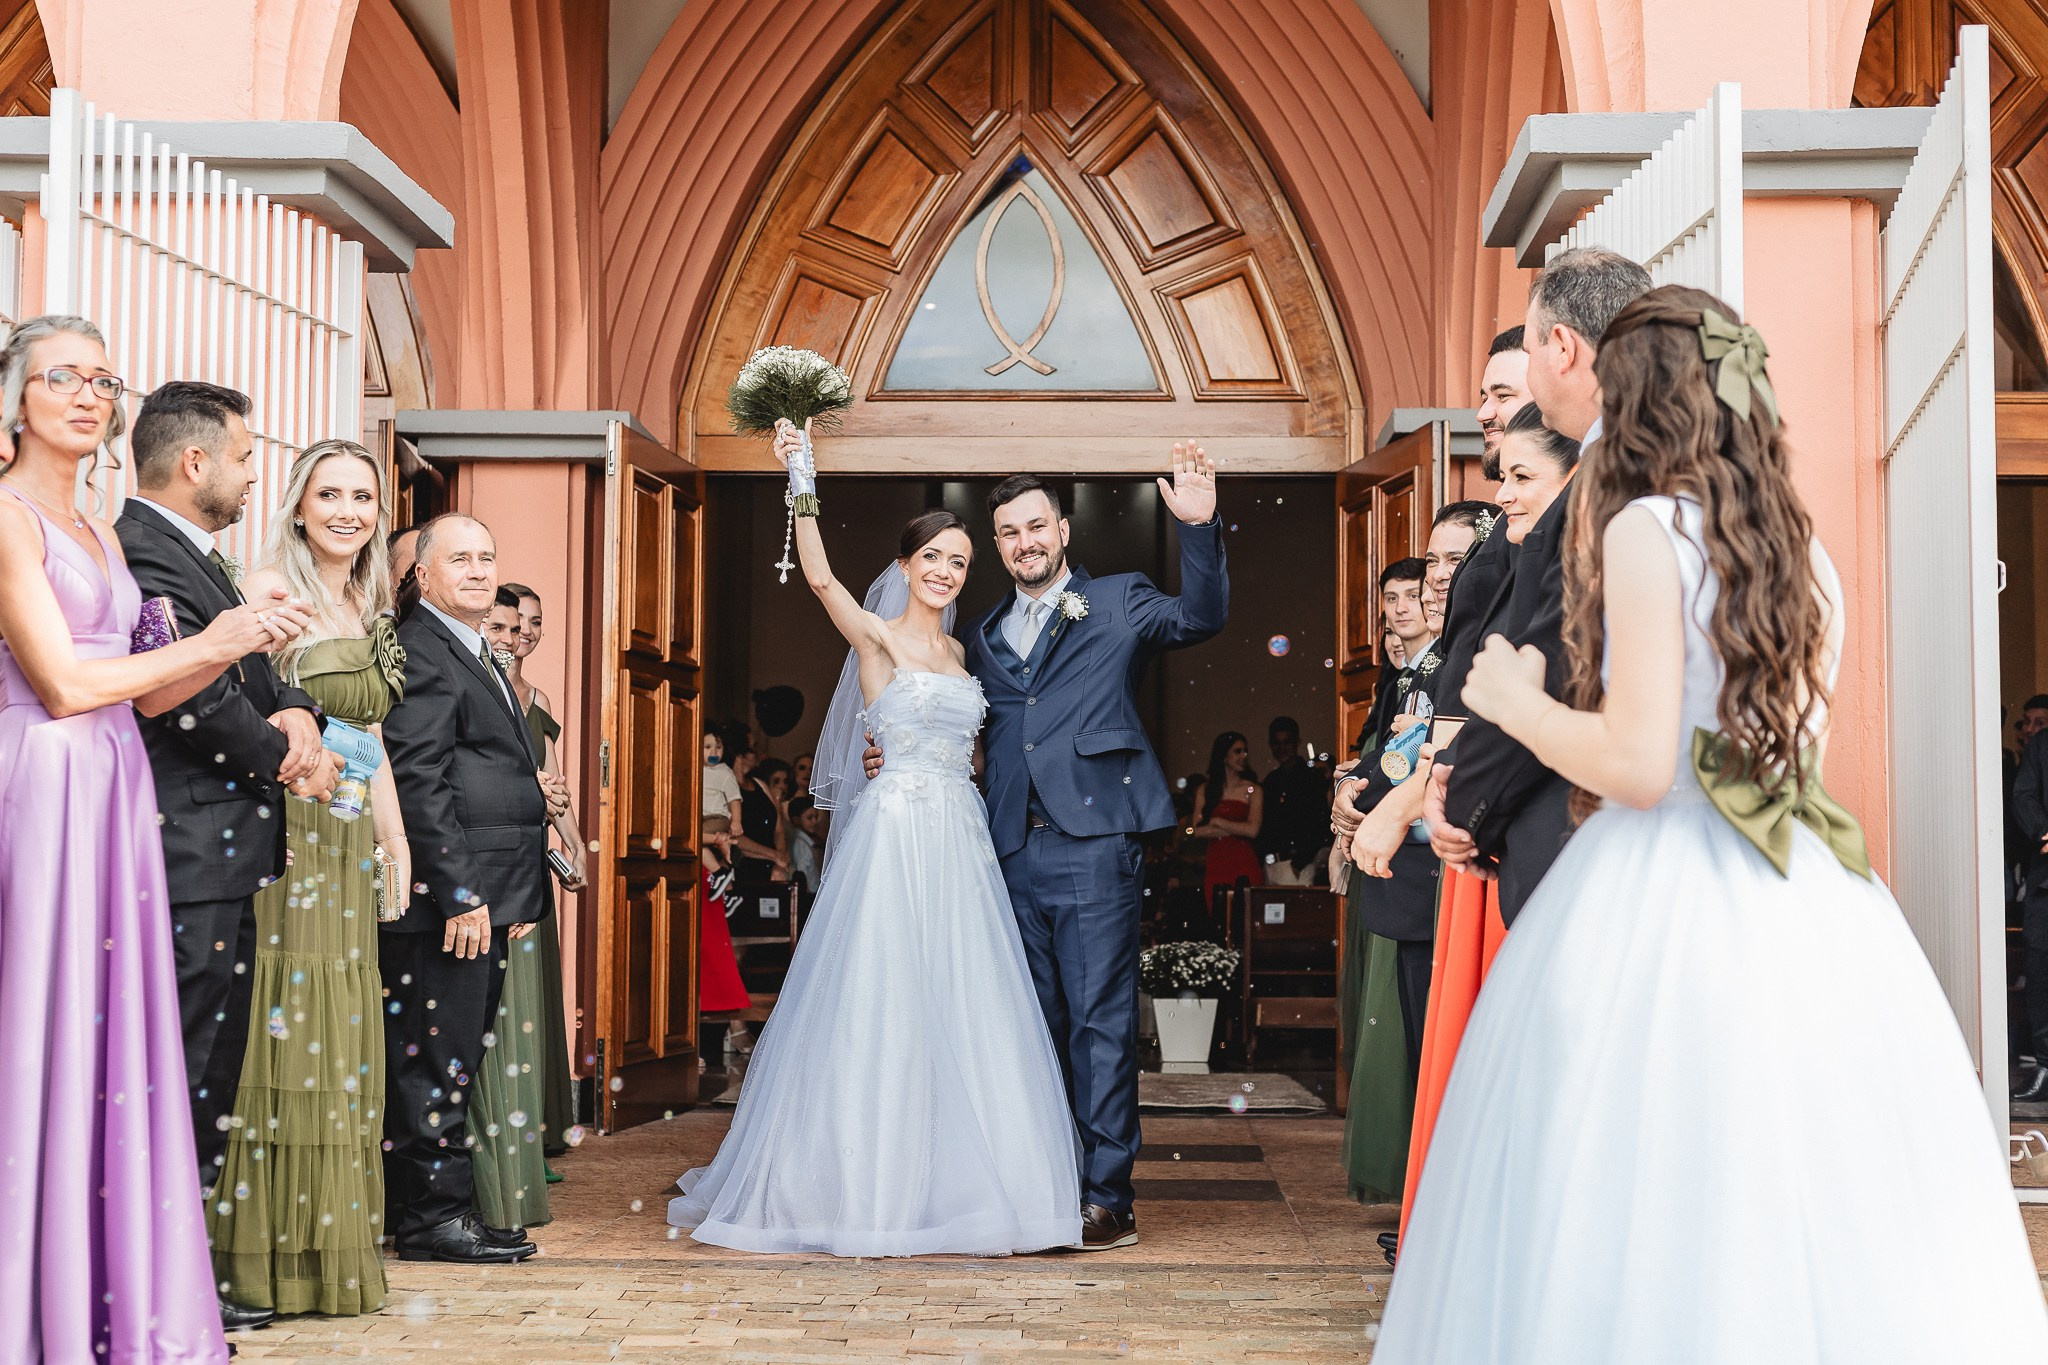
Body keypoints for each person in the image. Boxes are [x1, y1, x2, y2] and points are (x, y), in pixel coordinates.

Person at [1373, 285, 2048, 1362]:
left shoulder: (1650, 530)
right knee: (1797, 1162)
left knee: (1631, 1160)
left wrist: (1518, 706)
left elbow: (1644, 766)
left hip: (1665, 874)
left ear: (1635, 398)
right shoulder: (1797, 546)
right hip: (1805, 881)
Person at [669, 422, 1080, 1256]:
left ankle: (963, 1180)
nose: (945, 571)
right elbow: (819, 576)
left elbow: (981, 751)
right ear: (904, 564)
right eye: (932, 557)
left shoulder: (965, 651)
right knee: (883, 994)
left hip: (960, 836)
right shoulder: (877, 636)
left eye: (959, 561)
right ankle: (865, 1181)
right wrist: (801, 476)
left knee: (965, 997)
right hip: (896, 834)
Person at [0, 313, 305, 1362]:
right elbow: (63, 682)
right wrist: (219, 636)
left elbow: (156, 688)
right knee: (39, 1031)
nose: (87, 395)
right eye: (61, 377)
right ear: (15, 400)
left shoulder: (96, 530)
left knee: (115, 1043)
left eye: (101, 379)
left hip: (117, 783)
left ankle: (106, 1291)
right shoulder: (7, 517)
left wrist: (255, 655)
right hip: (44, 777)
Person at [931, 451, 1229, 1249]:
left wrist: (1199, 527)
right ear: (997, 546)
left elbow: (1201, 616)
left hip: (1094, 845)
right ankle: (1047, 1177)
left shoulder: (1119, 599)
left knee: (1099, 1022)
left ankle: (1108, 1194)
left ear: (1063, 530)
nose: (1024, 541)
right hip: (1007, 851)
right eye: (1009, 532)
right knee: (1029, 1022)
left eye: (1036, 526)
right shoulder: (980, 635)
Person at [115, 380, 339, 1333]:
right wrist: (289, 758)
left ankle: (182, 1277)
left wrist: (298, 709)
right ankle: (158, 1283)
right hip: (185, 853)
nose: (255, 474)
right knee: (183, 1067)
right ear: (195, 460)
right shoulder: (142, 550)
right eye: (246, 456)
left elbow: (247, 668)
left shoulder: (202, 558)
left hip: (221, 855)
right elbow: (189, 699)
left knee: (209, 1071)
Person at [207, 438, 406, 1317]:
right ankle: (251, 1260)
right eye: (329, 494)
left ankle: (322, 1254)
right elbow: (231, 703)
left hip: (348, 831)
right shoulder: (264, 589)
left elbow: (374, 737)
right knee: (280, 1023)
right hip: (286, 826)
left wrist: (394, 838)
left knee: (337, 1028)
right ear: (296, 505)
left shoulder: (368, 601)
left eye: (362, 496)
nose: (347, 511)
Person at [380, 514, 548, 1265]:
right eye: (461, 559)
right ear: (423, 574)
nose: (479, 570)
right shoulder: (423, 648)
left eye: (487, 556)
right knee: (435, 1059)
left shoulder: (472, 645)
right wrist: (461, 894)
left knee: (457, 1056)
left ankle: (438, 1208)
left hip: (489, 893)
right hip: (451, 903)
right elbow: (418, 779)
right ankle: (431, 1218)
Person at [497, 582, 585, 1171]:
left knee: (533, 998)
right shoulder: (481, 684)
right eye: (514, 623)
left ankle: (538, 1130)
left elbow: (554, 785)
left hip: (532, 858)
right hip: (495, 853)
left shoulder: (538, 699)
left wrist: (575, 846)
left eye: (534, 623)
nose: (523, 634)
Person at [1188, 730, 1262, 906]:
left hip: (1244, 861)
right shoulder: (1205, 790)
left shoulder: (1253, 790)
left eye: (1245, 751)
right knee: (1218, 912)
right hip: (1217, 862)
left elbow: (1253, 830)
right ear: (1223, 755)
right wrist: (1238, 828)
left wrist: (1217, 822)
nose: (1243, 756)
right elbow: (1196, 830)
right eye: (1237, 751)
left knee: (1246, 913)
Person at [1257, 716, 1331, 887]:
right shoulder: (1271, 781)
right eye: (1277, 743)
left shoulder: (1312, 778)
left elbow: (1320, 823)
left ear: (1297, 743)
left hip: (1299, 864)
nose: (1282, 748)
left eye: (1287, 742)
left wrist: (1300, 861)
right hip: (1272, 864)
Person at [787, 792, 823, 892]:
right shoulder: (800, 844)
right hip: (808, 893)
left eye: (816, 817)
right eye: (810, 818)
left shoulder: (810, 841)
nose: (814, 821)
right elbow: (802, 872)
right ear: (796, 820)